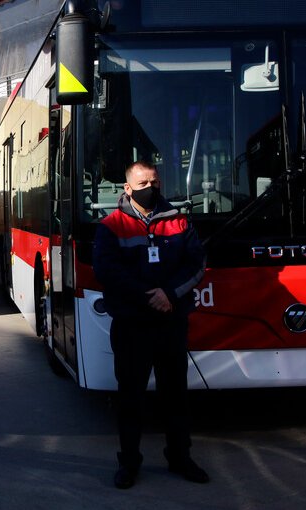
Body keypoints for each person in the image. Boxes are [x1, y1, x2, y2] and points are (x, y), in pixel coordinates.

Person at [92, 160, 209, 489]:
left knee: (176, 396)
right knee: (130, 398)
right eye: (143, 184)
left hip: (171, 323)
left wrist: (169, 293)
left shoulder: (179, 222)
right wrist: (149, 297)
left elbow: (197, 263)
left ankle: (180, 457)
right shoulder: (111, 226)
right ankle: (129, 462)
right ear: (128, 188)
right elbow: (107, 271)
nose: (151, 189)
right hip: (132, 326)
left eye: (155, 183)